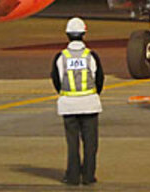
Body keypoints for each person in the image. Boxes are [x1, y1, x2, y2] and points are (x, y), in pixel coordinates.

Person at [51, 17, 104, 186]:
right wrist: (92, 94)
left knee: (72, 144)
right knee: (90, 144)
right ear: (83, 34)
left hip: (68, 105)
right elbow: (99, 78)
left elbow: (56, 80)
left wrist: (66, 94)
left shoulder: (61, 57)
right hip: (89, 103)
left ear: (67, 35)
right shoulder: (91, 56)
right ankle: (89, 176)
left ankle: (72, 177)